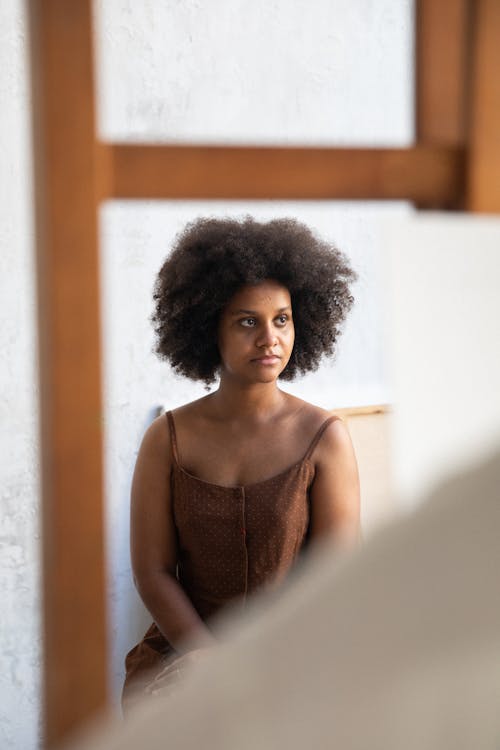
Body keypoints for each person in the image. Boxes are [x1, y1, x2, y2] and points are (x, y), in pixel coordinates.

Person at [122, 216, 361, 709]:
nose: (269, 338)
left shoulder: (325, 438)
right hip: (187, 652)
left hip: (297, 654)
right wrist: (207, 657)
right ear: (209, 328)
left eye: (282, 318)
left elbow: (335, 580)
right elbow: (153, 571)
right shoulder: (165, 438)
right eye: (247, 321)